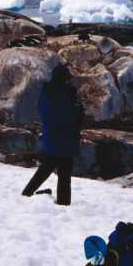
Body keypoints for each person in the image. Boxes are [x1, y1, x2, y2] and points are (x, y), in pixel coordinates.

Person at [22, 64, 82, 206]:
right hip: (67, 138)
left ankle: (27, 193)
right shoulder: (67, 93)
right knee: (64, 174)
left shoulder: (46, 92)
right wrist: (78, 107)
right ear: (64, 79)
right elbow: (73, 116)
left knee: (46, 168)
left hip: (52, 137)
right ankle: (63, 203)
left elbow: (46, 114)